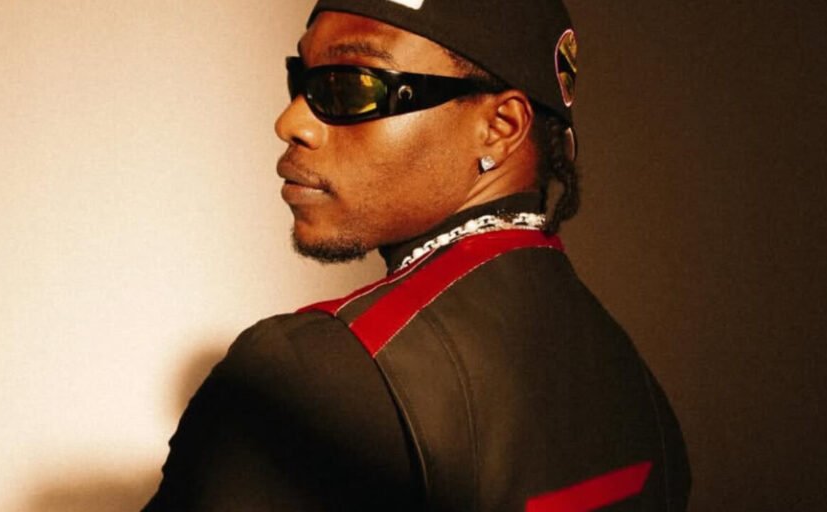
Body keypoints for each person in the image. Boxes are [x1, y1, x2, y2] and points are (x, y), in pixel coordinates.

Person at [142, 0, 690, 510]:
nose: (291, 122)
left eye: (351, 86)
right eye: (300, 78)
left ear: (498, 128)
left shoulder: (299, 371)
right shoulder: (639, 389)